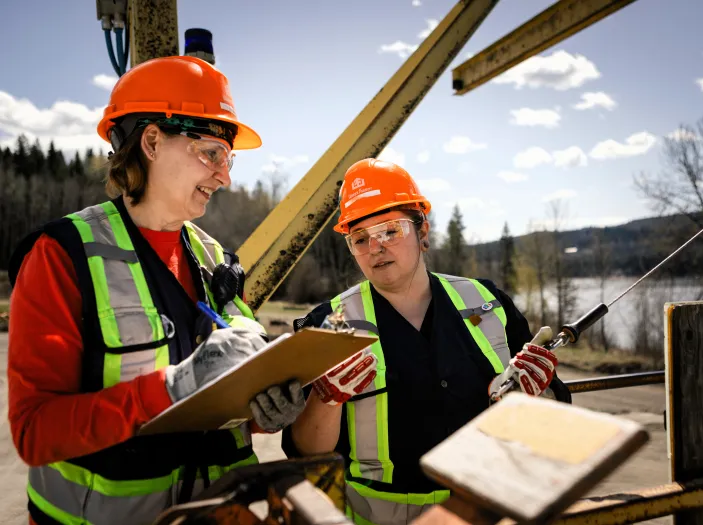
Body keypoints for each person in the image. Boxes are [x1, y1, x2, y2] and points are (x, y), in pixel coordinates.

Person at [6, 55, 306, 525]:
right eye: (211, 153)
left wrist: (265, 410)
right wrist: (172, 388)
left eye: (228, 159)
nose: (225, 177)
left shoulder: (215, 261)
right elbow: (35, 431)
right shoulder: (64, 255)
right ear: (151, 141)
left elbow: (231, 385)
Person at [281, 158, 572, 525]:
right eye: (360, 238)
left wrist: (538, 397)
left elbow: (552, 405)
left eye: (390, 230)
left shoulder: (488, 302)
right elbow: (305, 451)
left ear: (422, 232)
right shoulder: (325, 326)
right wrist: (327, 397)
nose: (375, 247)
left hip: (489, 505)